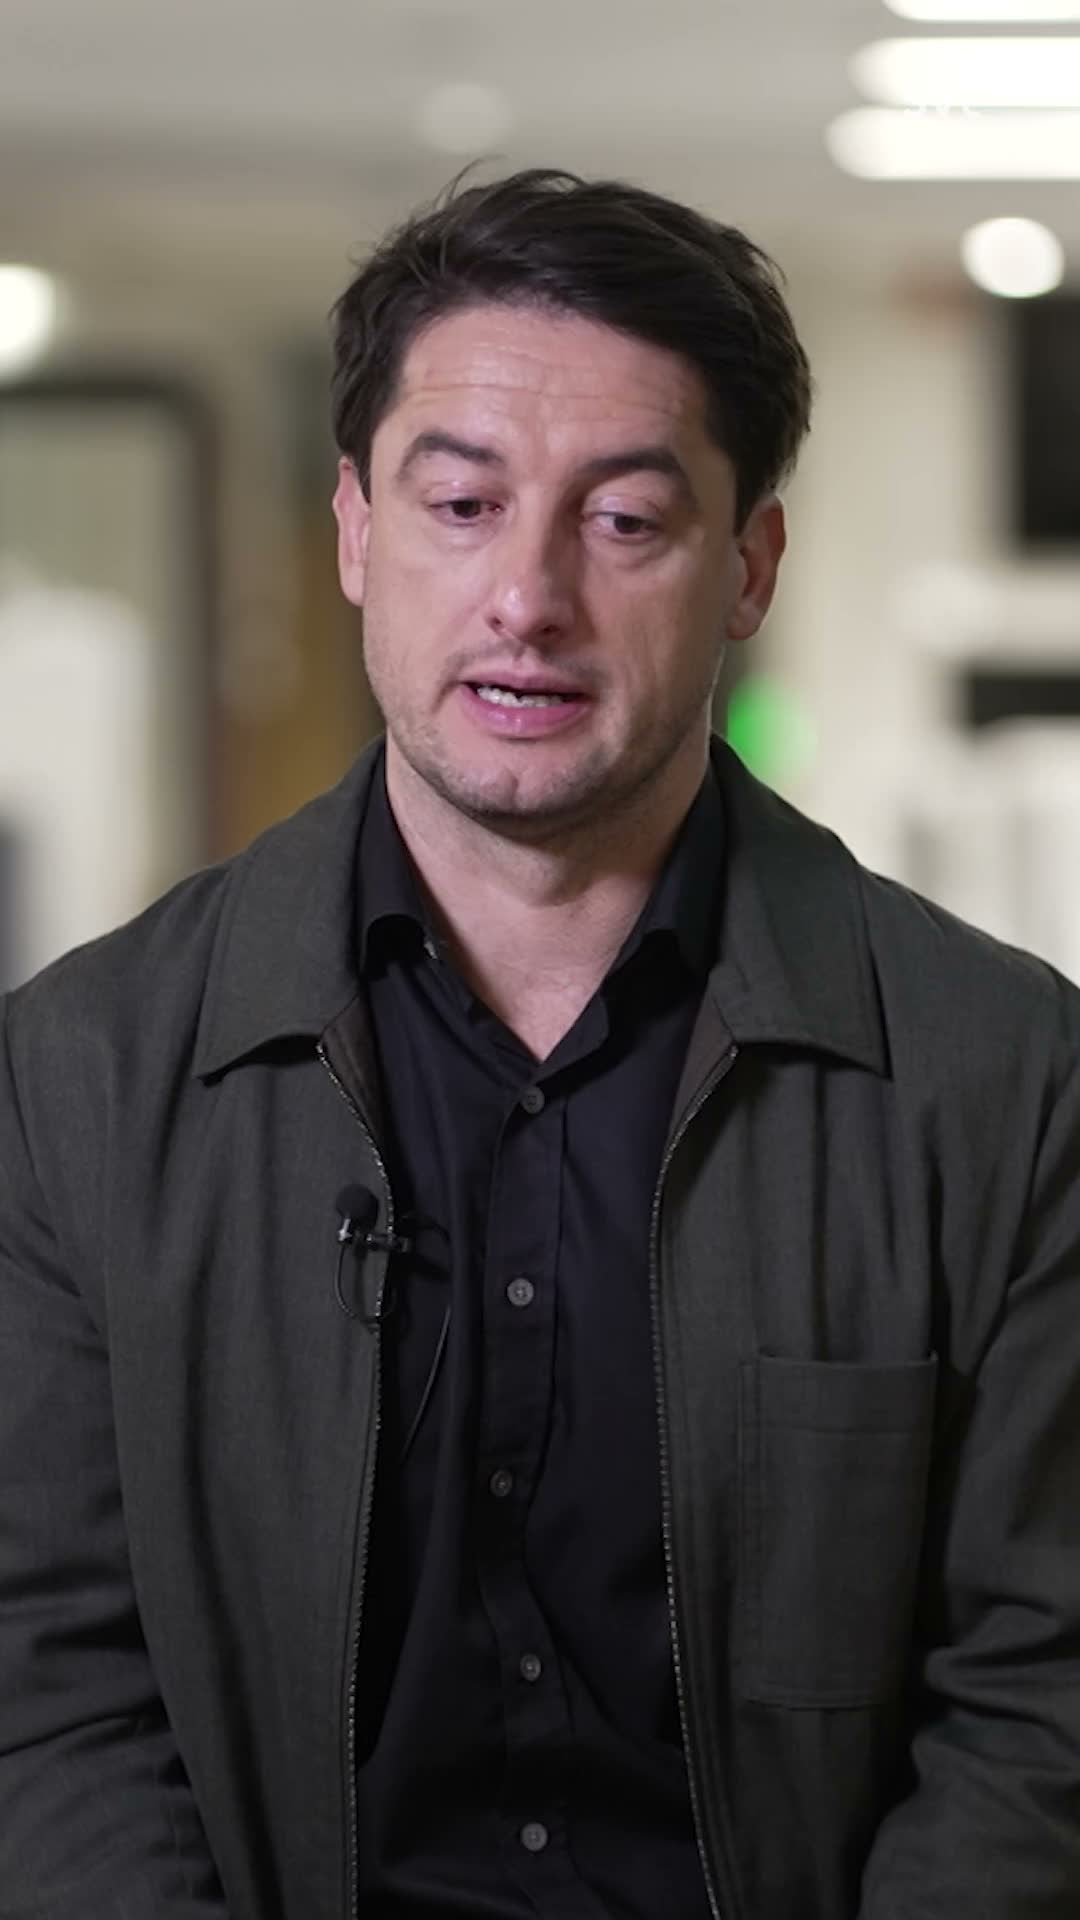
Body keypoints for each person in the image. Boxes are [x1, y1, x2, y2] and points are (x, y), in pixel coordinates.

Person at [1, 168, 1078, 1920]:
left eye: (626, 520)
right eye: (461, 504)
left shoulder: (1004, 1081)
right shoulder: (81, 1078)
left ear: (750, 567)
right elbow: (49, 1688)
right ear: (357, 531)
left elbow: (1038, 1698)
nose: (528, 596)